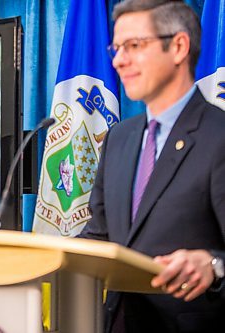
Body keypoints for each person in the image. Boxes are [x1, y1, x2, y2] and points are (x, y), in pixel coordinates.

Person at [78, 0, 225, 332]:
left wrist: (214, 265)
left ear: (178, 47)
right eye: (116, 48)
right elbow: (99, 235)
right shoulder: (118, 137)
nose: (118, 60)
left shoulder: (219, 137)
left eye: (133, 46)